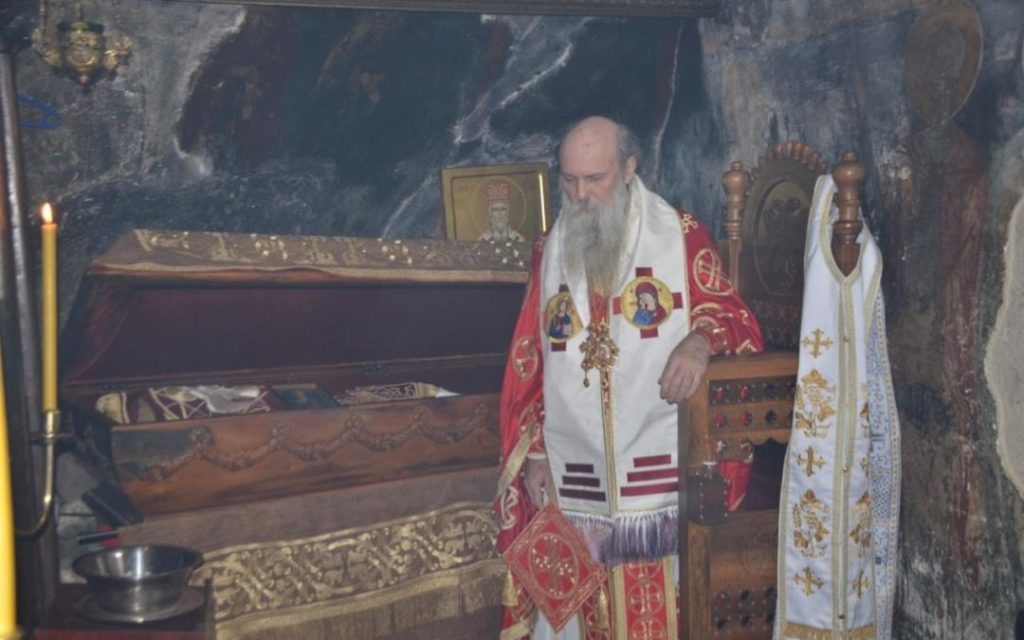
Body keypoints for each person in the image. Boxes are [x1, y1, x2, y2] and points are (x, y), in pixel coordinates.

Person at [494, 116, 764, 640]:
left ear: (629, 169)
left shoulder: (680, 236)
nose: (580, 195)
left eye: (594, 179)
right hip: (572, 476)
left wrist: (699, 340)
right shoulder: (549, 249)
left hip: (661, 480)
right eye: (569, 180)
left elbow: (735, 319)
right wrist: (536, 452)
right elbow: (529, 357)